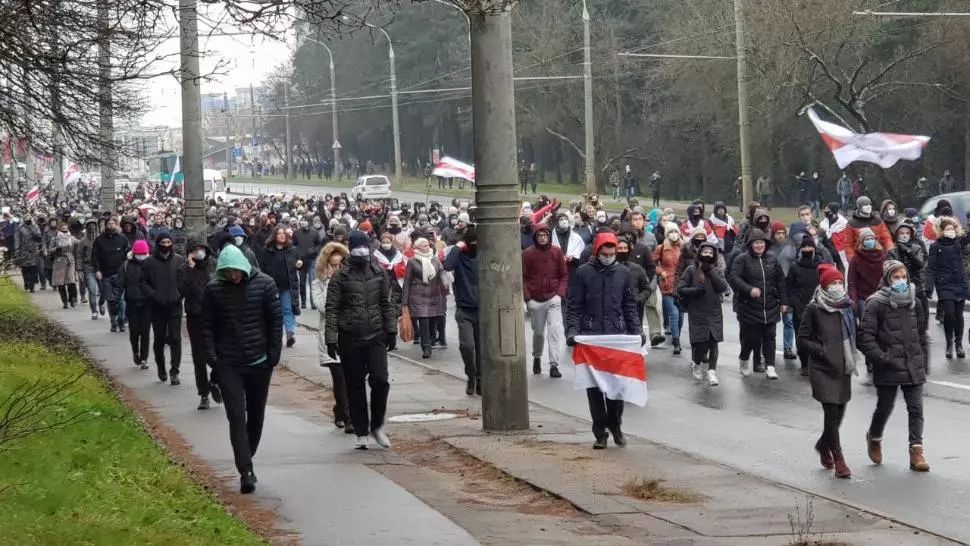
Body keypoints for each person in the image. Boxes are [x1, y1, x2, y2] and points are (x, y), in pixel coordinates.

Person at [201, 245, 283, 494]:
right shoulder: (214, 289)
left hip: (259, 361)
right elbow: (206, 326)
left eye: (236, 272)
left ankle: (248, 453)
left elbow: (275, 321)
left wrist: (273, 356)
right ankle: (245, 470)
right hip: (229, 363)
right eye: (228, 272)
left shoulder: (265, 285)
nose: (233, 277)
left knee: (256, 415)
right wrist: (213, 359)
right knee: (236, 415)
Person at [566, 232, 643, 449]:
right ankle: (600, 432)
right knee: (595, 389)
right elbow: (574, 306)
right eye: (605, 253)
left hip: (616, 337)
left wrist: (636, 332)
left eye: (612, 253)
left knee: (616, 387)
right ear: (597, 252)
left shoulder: (624, 274)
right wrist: (572, 331)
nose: (609, 257)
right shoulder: (582, 274)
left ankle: (615, 425)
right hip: (591, 339)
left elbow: (630, 306)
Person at [325, 230, 397, 451]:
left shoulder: (379, 272)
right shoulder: (340, 276)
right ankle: (361, 430)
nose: (362, 252)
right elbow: (332, 308)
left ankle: (377, 425)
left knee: (380, 380)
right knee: (354, 385)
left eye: (365, 248)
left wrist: (391, 329)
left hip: (376, 334)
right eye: (358, 248)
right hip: (350, 336)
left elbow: (387, 302)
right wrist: (331, 338)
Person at [858, 260, 930, 473]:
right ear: (887, 280)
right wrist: (880, 357)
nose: (900, 281)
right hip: (888, 365)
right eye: (895, 277)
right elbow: (864, 336)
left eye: (903, 277)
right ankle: (874, 436)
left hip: (912, 363)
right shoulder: (876, 303)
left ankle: (916, 452)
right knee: (885, 407)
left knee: (916, 408)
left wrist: (922, 360)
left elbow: (921, 332)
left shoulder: (914, 301)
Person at [796, 264, 856, 479]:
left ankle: (823, 444)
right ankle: (838, 457)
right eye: (833, 283)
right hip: (822, 368)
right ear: (824, 285)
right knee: (831, 413)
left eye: (840, 282)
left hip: (843, 366)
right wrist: (821, 350)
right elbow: (802, 339)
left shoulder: (847, 306)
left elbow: (855, 333)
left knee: (839, 413)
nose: (837, 286)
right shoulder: (814, 308)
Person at [729, 228, 787, 379]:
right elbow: (734, 278)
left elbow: (780, 280)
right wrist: (749, 290)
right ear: (750, 245)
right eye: (756, 243)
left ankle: (770, 366)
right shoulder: (742, 259)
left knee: (770, 336)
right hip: (749, 306)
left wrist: (784, 301)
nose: (759, 245)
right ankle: (744, 359)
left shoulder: (772, 259)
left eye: (761, 242)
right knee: (752, 338)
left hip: (770, 305)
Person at [311, 242, 353, 431]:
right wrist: (329, 283)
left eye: (340, 265)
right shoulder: (317, 284)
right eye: (333, 265)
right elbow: (324, 307)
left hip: (349, 334)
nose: (337, 269)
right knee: (339, 378)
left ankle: (340, 410)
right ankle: (349, 417)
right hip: (330, 337)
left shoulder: (351, 281)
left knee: (351, 377)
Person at [676, 241, 729, 386]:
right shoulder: (691, 270)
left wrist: (710, 271)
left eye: (710, 253)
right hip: (697, 312)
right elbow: (681, 288)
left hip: (714, 312)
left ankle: (712, 371)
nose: (707, 255)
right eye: (705, 252)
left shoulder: (716, 271)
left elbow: (723, 287)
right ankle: (697, 363)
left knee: (714, 343)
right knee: (701, 344)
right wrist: (695, 291)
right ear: (700, 254)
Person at [178, 236, 222, 410]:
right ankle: (203, 393)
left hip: (215, 315)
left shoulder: (213, 265)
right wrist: (190, 269)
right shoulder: (184, 269)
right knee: (199, 357)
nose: (199, 252)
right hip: (195, 316)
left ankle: (215, 381)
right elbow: (181, 291)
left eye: (201, 249)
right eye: (195, 249)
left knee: (219, 353)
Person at [522, 224, 569, 377]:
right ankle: (537, 356)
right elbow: (521, 277)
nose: (542, 238)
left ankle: (554, 364)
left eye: (545, 235)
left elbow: (564, 275)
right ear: (535, 237)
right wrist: (527, 298)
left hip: (553, 298)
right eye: (539, 235)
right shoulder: (528, 254)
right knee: (538, 333)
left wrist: (559, 294)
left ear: (548, 236)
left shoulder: (556, 252)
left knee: (555, 330)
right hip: (535, 300)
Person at [143, 231, 186, 385]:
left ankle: (175, 370)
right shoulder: (149, 262)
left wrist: (179, 295)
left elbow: (184, 280)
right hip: (157, 306)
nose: (166, 246)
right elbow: (143, 282)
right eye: (163, 243)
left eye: (169, 243)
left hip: (174, 305)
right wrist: (153, 295)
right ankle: (161, 367)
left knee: (175, 338)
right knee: (159, 339)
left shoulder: (179, 260)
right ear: (158, 244)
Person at [444, 226, 481, 396]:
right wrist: (457, 247)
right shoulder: (459, 257)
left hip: (482, 309)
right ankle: (471, 375)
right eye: (471, 242)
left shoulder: (484, 256)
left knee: (481, 349)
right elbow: (447, 265)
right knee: (467, 346)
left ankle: (480, 379)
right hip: (464, 309)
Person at [927, 217, 969, 359]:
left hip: (959, 283)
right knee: (949, 313)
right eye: (947, 229)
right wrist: (929, 286)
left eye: (952, 229)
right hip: (944, 284)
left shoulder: (959, 243)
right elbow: (931, 268)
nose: (950, 231)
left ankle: (959, 344)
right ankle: (949, 342)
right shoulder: (935, 246)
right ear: (942, 231)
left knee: (959, 314)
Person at [257, 226, 301, 348]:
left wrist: (299, 263)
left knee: (287, 309)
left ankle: (290, 334)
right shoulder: (267, 251)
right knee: (274, 313)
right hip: (272, 287)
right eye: (279, 233)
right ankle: (275, 336)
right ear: (274, 236)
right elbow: (262, 268)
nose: (282, 235)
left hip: (287, 286)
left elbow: (298, 261)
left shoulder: (292, 250)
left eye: (284, 234)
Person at [403, 237, 447, 359]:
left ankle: (432, 339)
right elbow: (407, 281)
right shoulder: (412, 261)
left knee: (433, 320)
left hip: (434, 294)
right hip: (417, 295)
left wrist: (445, 281)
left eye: (428, 245)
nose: (427, 247)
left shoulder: (435, 259)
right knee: (423, 321)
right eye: (424, 245)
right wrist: (404, 301)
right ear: (417, 248)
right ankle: (426, 347)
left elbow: (442, 271)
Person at [786, 236, 823, 375]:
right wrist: (794, 303)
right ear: (801, 249)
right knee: (802, 336)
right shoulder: (795, 266)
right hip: (800, 306)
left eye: (810, 247)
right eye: (805, 247)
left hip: (818, 305)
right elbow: (789, 285)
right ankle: (804, 363)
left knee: (817, 335)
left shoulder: (820, 265)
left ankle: (816, 362)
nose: (807, 249)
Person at [92, 217, 131, 332]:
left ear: (117, 225)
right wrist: (97, 270)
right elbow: (95, 257)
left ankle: (121, 320)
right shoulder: (99, 240)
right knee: (111, 300)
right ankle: (113, 322)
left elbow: (128, 253)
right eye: (109, 224)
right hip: (106, 274)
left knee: (122, 300)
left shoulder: (122, 238)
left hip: (120, 274)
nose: (111, 226)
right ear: (105, 225)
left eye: (113, 224)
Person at [120, 240, 153, 371]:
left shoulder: (151, 265)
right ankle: (136, 352)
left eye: (143, 254)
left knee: (145, 332)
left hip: (147, 303)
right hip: (132, 302)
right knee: (134, 331)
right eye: (139, 254)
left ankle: (144, 358)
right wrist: (114, 299)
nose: (141, 256)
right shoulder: (126, 266)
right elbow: (120, 282)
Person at [654, 222, 683, 354]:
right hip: (667, 284)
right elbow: (651, 264)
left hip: (682, 285)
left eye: (675, 231)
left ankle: (677, 336)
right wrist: (661, 272)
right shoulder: (661, 248)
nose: (673, 234)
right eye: (670, 232)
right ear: (667, 234)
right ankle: (676, 342)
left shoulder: (684, 247)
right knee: (674, 313)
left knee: (681, 315)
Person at [843, 196, 894, 262]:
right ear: (859, 207)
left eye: (869, 204)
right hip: (860, 258)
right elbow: (848, 244)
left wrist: (890, 250)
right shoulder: (852, 223)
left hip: (878, 255)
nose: (868, 206)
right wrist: (853, 260)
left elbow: (886, 238)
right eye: (865, 205)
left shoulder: (878, 221)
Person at [293, 217, 323, 309]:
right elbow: (293, 245)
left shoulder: (314, 233)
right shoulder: (296, 233)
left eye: (305, 220)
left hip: (312, 259)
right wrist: (297, 255)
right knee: (302, 282)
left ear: (309, 222)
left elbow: (319, 244)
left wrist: (314, 250)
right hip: (301, 260)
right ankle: (303, 302)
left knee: (312, 281)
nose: (303, 222)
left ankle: (313, 302)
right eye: (301, 220)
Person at [76, 217, 101, 319]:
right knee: (92, 289)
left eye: (94, 225)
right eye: (90, 225)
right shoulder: (83, 241)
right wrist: (80, 270)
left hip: (101, 267)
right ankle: (94, 310)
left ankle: (102, 303)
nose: (92, 227)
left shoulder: (101, 239)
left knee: (104, 290)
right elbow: (79, 256)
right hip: (88, 267)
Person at [49, 221, 78, 309]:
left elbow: (80, 243)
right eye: (63, 229)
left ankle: (72, 298)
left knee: (71, 281)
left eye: (66, 229)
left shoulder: (71, 238)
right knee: (60, 283)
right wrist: (57, 248)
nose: (65, 231)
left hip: (70, 260)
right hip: (59, 260)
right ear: (59, 229)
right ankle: (64, 301)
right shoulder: (55, 239)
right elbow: (50, 249)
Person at [14, 217, 42, 292]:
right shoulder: (20, 227)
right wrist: (17, 250)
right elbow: (17, 239)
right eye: (26, 219)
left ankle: (32, 286)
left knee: (33, 268)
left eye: (29, 219)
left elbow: (39, 237)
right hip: (23, 251)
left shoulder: (35, 226)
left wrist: (31, 228)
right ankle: (26, 282)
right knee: (25, 269)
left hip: (33, 250)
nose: (28, 221)